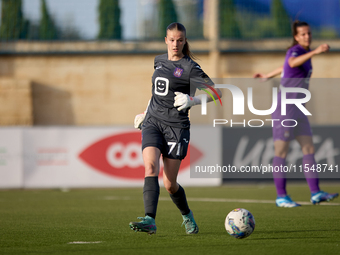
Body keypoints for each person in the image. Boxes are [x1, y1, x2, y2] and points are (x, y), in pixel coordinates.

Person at [129, 22, 222, 234]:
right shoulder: (158, 61)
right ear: (165, 40)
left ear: (185, 41)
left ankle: (187, 216)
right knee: (150, 167)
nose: (175, 44)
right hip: (153, 122)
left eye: (180, 40)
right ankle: (149, 219)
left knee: (170, 184)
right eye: (171, 40)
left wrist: (193, 101)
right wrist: (145, 113)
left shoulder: (190, 68)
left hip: (177, 128)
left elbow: (217, 93)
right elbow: (157, 93)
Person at [254, 21, 338, 208]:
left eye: (308, 33)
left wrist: (268, 75)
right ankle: (281, 196)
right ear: (296, 37)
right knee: (281, 152)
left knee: (309, 149)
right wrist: (316, 52)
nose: (307, 36)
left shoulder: (303, 55)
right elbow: (291, 62)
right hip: (285, 109)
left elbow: (286, 67)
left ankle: (316, 192)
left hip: (299, 109)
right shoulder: (297, 52)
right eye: (303, 34)